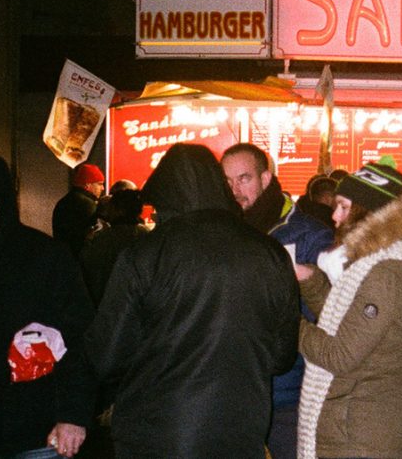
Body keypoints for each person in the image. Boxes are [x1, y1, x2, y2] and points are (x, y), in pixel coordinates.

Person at [85, 144, 300, 458]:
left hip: (154, 436)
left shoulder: (144, 255)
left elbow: (106, 355)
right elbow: (281, 357)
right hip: (241, 433)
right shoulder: (269, 252)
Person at [0, 156, 96, 459]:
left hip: (35, 429)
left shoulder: (46, 258)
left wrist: (74, 415)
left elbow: (80, 338)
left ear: (3, 204)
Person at [294, 161, 402, 458]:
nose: (334, 216)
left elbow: (340, 354)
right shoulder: (381, 262)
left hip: (359, 430)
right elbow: (348, 323)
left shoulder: (385, 272)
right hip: (367, 419)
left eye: (344, 207)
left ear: (370, 213)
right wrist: (309, 280)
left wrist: (287, 321)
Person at [221, 143, 334, 459]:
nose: (235, 190)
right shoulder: (225, 231)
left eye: (244, 178)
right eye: (227, 181)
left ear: (266, 178)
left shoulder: (309, 235)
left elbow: (328, 312)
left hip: (290, 391)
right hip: (235, 388)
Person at [78, 188, 149, 305]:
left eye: (111, 207)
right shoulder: (147, 235)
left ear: (119, 210)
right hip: (140, 301)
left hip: (109, 301)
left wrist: (88, 241)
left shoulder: (105, 238)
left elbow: (87, 263)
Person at [52, 163, 105, 258]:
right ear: (87, 185)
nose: (102, 188)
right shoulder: (88, 204)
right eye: (99, 184)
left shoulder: (64, 201)